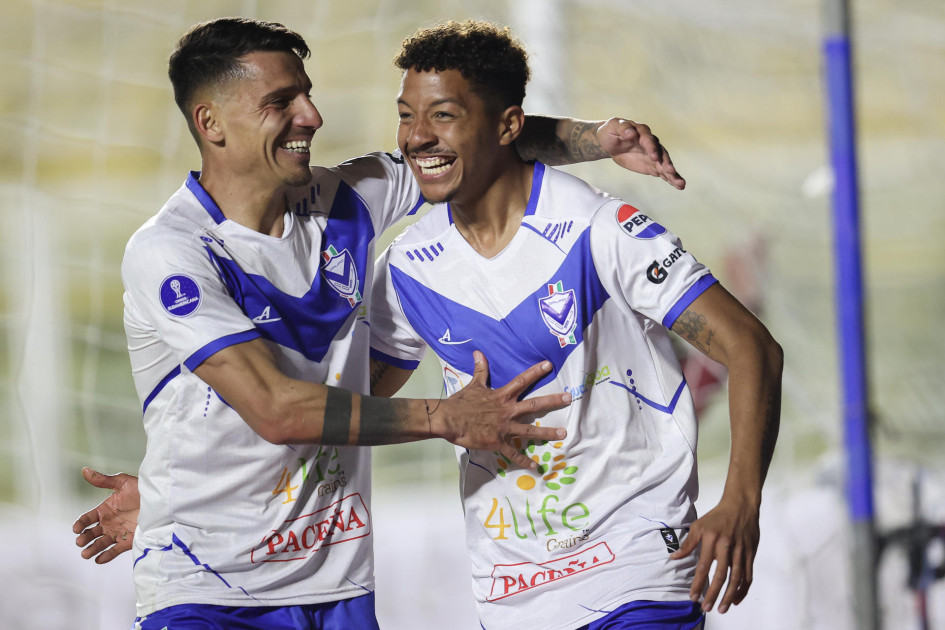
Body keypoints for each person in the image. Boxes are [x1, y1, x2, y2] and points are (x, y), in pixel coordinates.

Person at [71, 17, 685, 630]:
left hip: (336, 586)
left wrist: (598, 138)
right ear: (210, 123)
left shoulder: (349, 198)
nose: (311, 116)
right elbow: (277, 410)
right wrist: (443, 417)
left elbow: (476, 140)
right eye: (282, 102)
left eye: (307, 94)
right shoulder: (173, 252)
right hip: (207, 588)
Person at [364, 21, 784, 630]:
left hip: (636, 561)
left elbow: (752, 349)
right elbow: (357, 408)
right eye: (406, 116)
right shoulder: (406, 269)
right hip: (514, 586)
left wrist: (742, 502)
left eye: (443, 116)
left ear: (509, 125)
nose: (416, 137)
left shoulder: (599, 226)